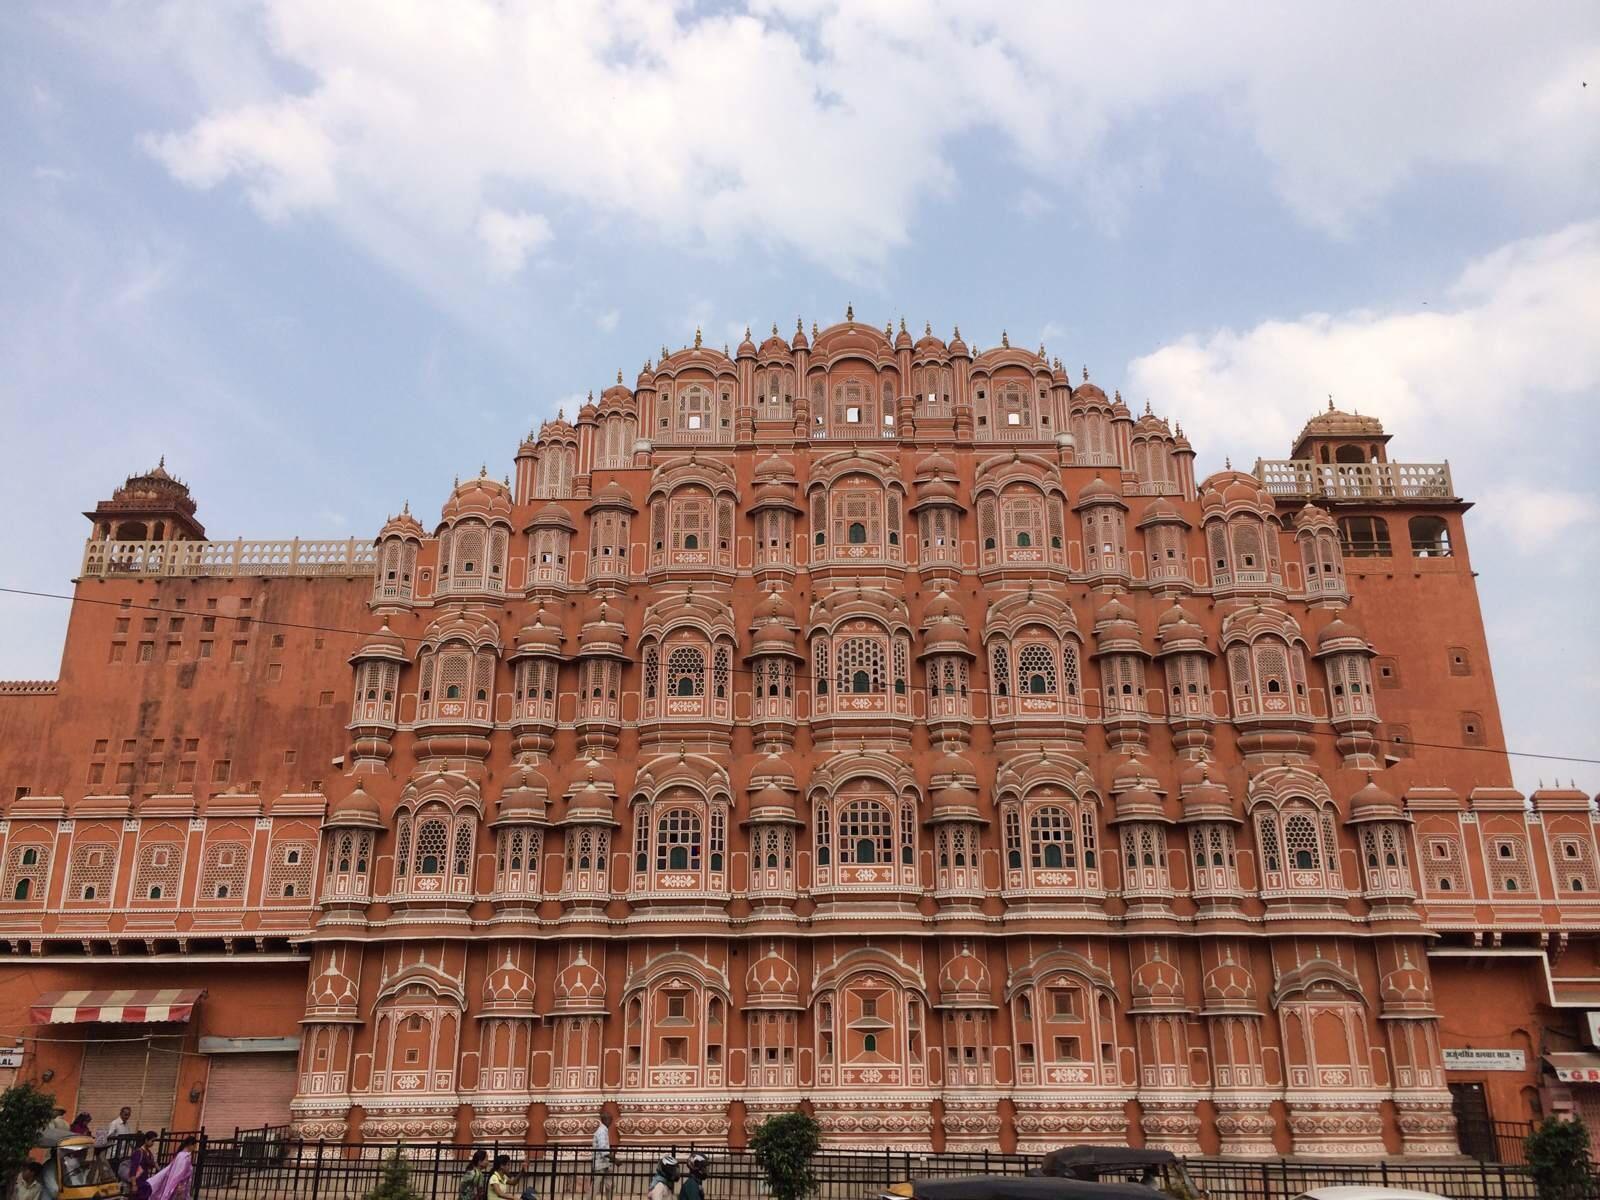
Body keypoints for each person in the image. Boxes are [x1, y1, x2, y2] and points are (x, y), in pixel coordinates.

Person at [146, 1136, 196, 1200]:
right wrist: (179, 1185)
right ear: (190, 1145)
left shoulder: (182, 1155)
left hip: (182, 1186)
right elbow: (178, 1173)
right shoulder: (183, 1157)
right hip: (180, 1186)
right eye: (194, 1146)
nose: (194, 1148)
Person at [589, 1112, 613, 1198]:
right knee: (596, 1185)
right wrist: (614, 1159)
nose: (611, 1122)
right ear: (605, 1120)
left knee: (609, 1185)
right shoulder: (602, 1132)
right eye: (610, 1119)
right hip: (600, 1163)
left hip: (605, 1163)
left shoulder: (603, 1130)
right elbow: (603, 1150)